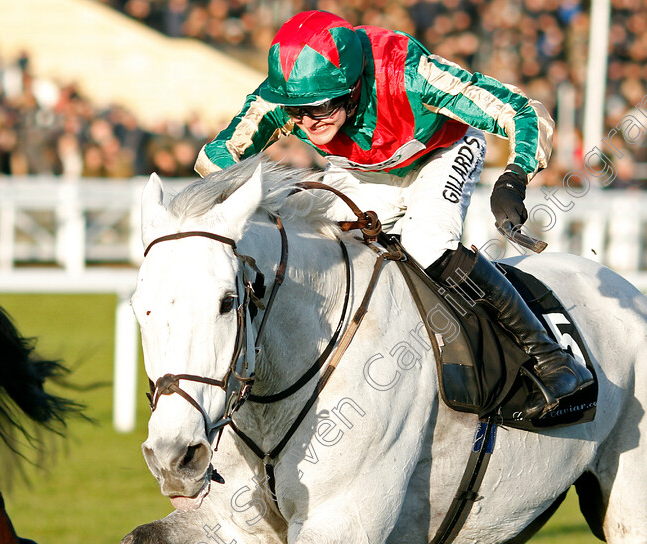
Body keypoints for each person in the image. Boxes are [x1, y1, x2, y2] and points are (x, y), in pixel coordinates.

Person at [195, 10, 592, 419]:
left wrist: (514, 178)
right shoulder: (288, 95)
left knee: (427, 243)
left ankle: (548, 355)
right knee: (316, 248)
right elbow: (215, 157)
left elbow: (525, 111)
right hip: (364, 172)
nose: (304, 122)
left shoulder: (410, 72)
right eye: (295, 112)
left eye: (318, 109)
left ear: (351, 89)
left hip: (441, 153)